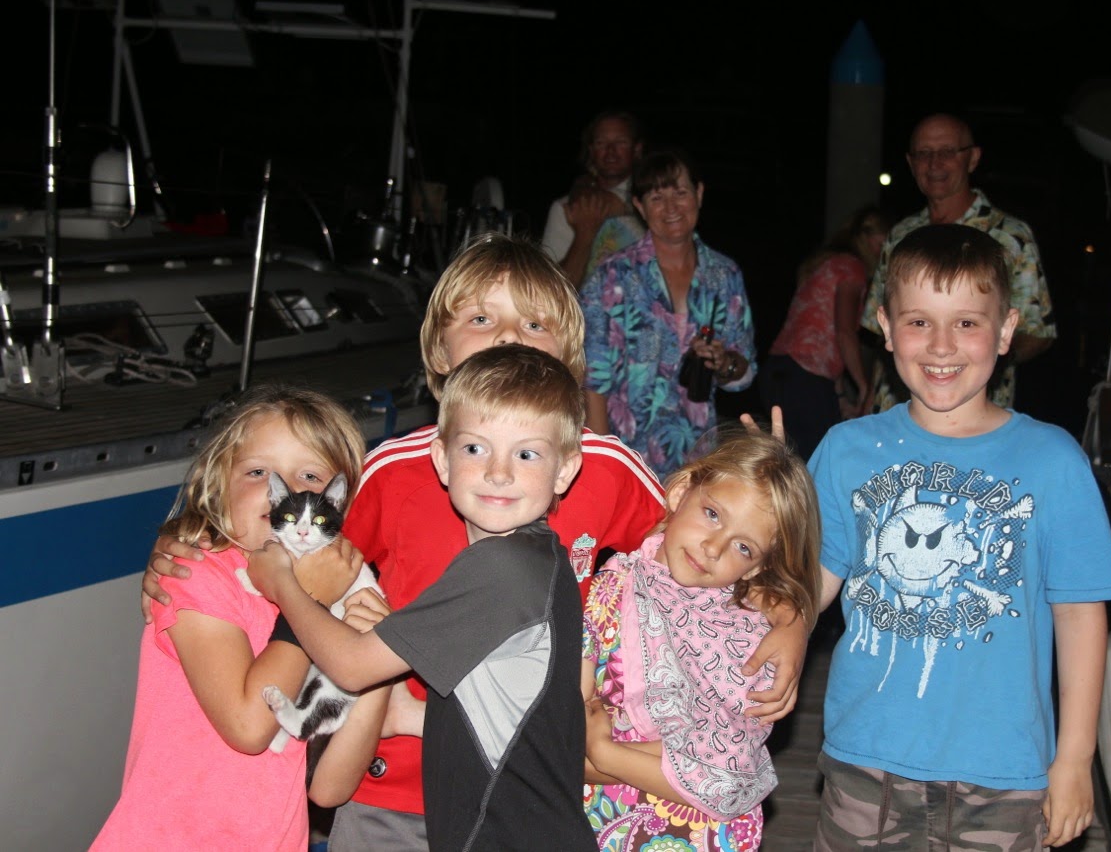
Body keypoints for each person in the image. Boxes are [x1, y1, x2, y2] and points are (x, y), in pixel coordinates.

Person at [141, 234, 807, 848]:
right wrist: (185, 548)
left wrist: (792, 620)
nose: (508, 337)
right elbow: (290, 543)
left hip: (523, 786)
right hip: (389, 781)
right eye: (482, 318)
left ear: (569, 360)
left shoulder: (602, 467)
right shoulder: (392, 471)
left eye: (535, 324)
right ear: (439, 351)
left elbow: (711, 550)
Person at [809, 225, 1111, 849]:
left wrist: (1075, 759)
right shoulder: (846, 449)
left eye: (966, 323)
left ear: (1006, 331)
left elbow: (1080, 615)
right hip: (866, 759)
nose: (941, 345)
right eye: (919, 322)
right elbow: (807, 587)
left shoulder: (1053, 459)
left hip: (1004, 775)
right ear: (885, 327)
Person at [248, 346, 597, 850]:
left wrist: (282, 581)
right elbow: (508, 716)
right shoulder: (545, 561)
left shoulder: (503, 570)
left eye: (526, 454)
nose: (498, 472)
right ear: (442, 460)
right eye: (475, 448)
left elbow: (350, 666)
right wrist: (398, 699)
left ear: (564, 470)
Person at [93, 385, 389, 850]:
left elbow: (330, 788)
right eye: (258, 472)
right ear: (219, 483)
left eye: (310, 475)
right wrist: (305, 600)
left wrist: (379, 656)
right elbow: (250, 728)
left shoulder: (340, 600)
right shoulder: (194, 575)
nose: (282, 490)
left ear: (337, 503)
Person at [582, 429, 822, 851]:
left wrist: (607, 754)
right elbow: (568, 737)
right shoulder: (610, 588)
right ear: (680, 494)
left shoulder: (749, 631)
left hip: (703, 837)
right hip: (602, 820)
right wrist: (597, 756)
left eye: (743, 547)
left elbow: (731, 774)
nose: (713, 547)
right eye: (712, 514)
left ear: (755, 568)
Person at [581, 147, 757, 480]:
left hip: (697, 456)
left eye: (680, 193)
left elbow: (743, 373)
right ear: (639, 206)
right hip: (627, 455)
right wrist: (605, 467)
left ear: (699, 193)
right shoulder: (612, 276)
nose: (671, 207)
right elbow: (592, 379)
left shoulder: (724, 274)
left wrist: (724, 363)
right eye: (657, 197)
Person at [859, 113, 1056, 411]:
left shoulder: (1010, 236)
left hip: (973, 415)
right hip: (894, 408)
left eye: (947, 152)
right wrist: (868, 402)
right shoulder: (900, 235)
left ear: (972, 158)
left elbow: (1039, 333)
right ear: (911, 163)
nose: (934, 163)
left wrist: (975, 360)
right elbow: (878, 329)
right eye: (924, 153)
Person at [760, 206, 890, 458]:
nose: (883, 252)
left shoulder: (827, 264)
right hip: (804, 378)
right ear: (863, 237)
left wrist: (840, 396)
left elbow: (826, 336)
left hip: (780, 371)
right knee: (817, 461)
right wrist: (865, 387)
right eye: (881, 243)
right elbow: (844, 332)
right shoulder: (852, 267)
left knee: (795, 459)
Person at [542, 110, 645, 288]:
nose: (611, 151)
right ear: (591, 151)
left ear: (637, 149)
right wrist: (585, 233)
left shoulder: (657, 203)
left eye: (621, 142)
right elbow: (549, 290)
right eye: (601, 143)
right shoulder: (566, 208)